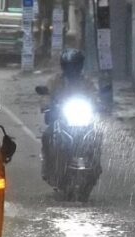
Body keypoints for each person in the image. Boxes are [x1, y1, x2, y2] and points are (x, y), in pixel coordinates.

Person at [41, 48, 97, 177]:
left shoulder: (86, 82)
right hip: (61, 118)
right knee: (47, 135)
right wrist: (47, 106)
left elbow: (94, 94)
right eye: (69, 66)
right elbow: (46, 95)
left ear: (80, 66)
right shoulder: (55, 81)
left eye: (75, 66)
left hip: (82, 118)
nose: (72, 69)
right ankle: (48, 167)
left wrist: (98, 104)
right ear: (64, 67)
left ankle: (95, 165)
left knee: (96, 136)